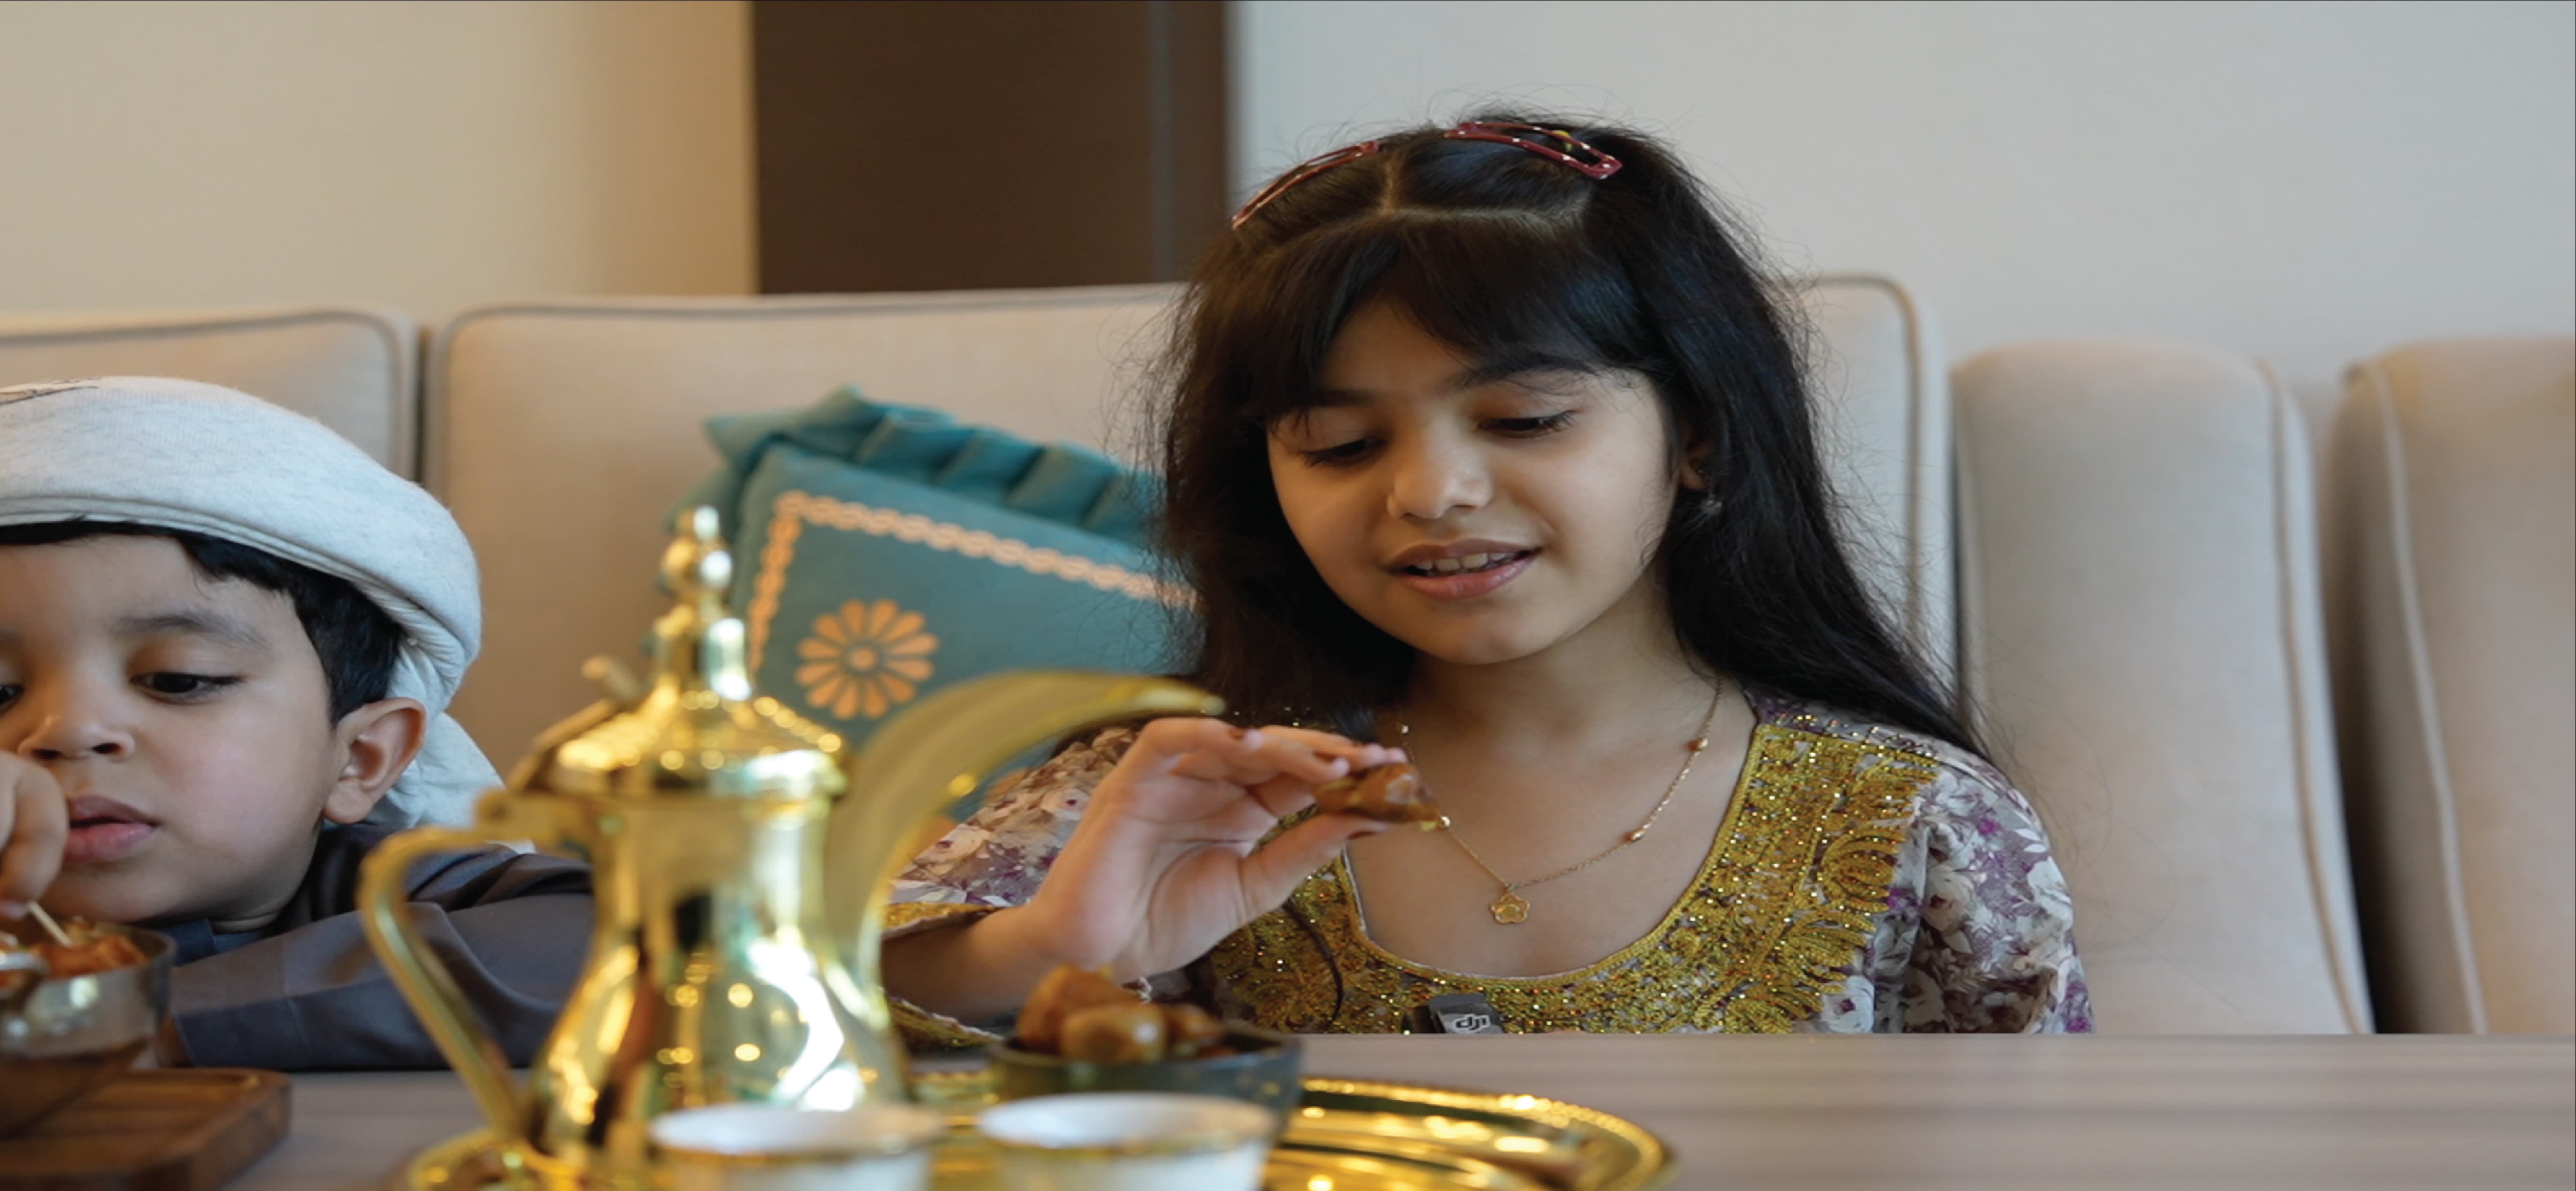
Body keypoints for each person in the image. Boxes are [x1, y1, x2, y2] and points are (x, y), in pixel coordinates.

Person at [880, 117, 2090, 1036]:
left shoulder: (1921, 819)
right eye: (1340, 445)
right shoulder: (1174, 792)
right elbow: (825, 1020)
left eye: (1524, 420)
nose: (1429, 492)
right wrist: (1046, 951)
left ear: (1699, 433)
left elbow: (2053, 1170)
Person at [0, 377, 589, 1068]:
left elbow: (613, 942)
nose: (73, 729)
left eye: (180, 679)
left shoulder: (398, 892)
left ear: (361, 757)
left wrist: (134, 1019)